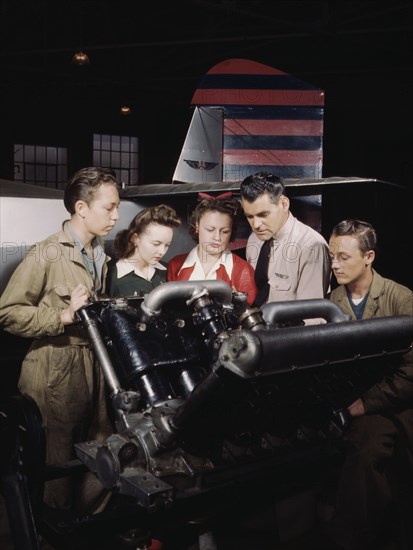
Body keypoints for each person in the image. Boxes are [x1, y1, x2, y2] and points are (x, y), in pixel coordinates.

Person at [0, 166, 121, 513]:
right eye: (109, 207)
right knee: (57, 469)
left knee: (99, 458)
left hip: (94, 368)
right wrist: (62, 316)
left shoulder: (100, 254)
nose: (116, 215)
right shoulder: (46, 253)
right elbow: (7, 312)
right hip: (55, 371)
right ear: (82, 209)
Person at [325, 219, 413, 550]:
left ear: (369, 257)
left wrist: (365, 404)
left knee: (376, 450)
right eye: (332, 256)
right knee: (364, 448)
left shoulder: (401, 299)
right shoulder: (332, 299)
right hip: (354, 404)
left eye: (343, 257)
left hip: (397, 403)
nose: (334, 264)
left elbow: (411, 372)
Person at [239, 172, 331, 308]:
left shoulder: (311, 246)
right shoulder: (254, 239)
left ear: (284, 204)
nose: (256, 224)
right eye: (250, 216)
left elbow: (312, 316)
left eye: (263, 215)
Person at [167, 193, 258, 306]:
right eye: (210, 230)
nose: (217, 238)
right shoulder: (175, 265)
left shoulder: (243, 270)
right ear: (197, 226)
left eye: (224, 231)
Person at [106, 204, 181, 297]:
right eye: (156, 244)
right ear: (135, 238)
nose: (162, 251)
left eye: (167, 245)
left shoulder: (168, 271)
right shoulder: (110, 277)